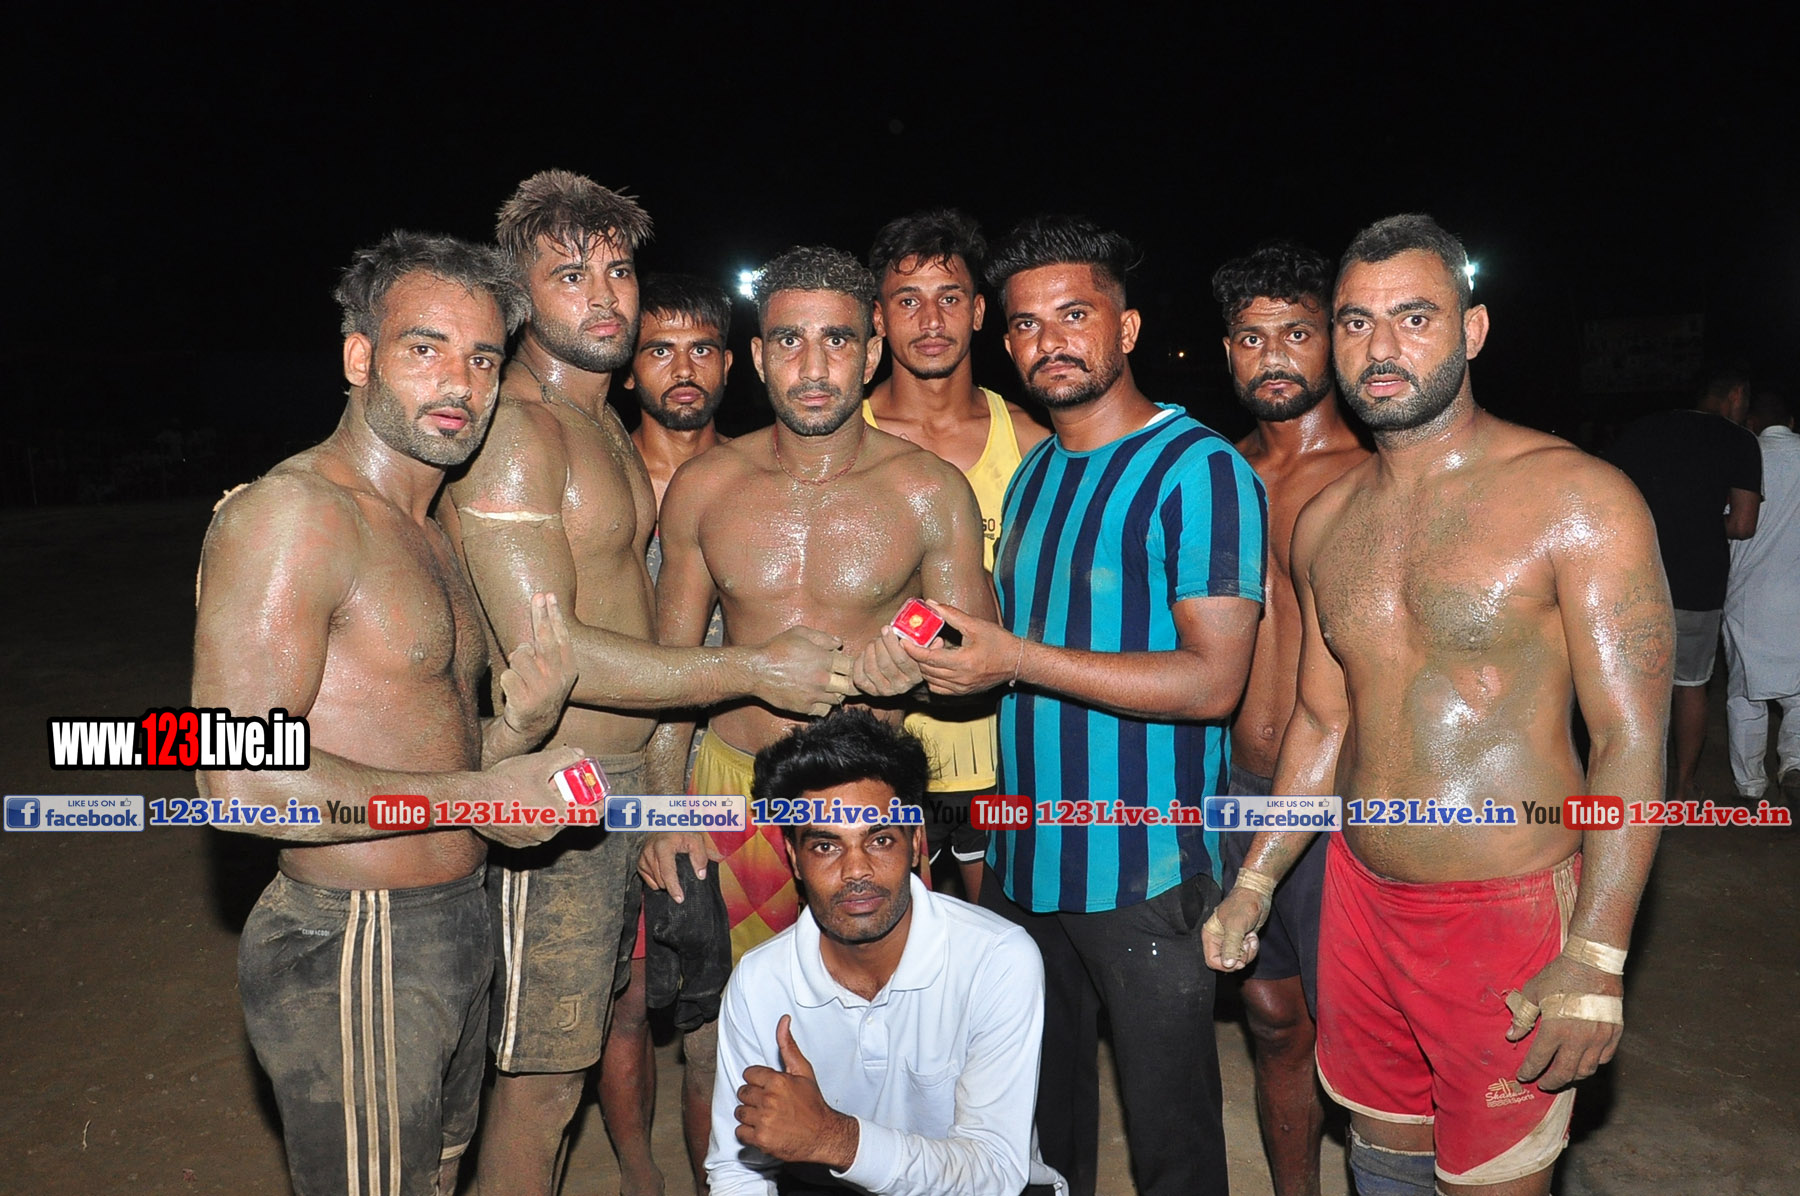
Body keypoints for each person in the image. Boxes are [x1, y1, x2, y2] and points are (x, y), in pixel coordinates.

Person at [1206, 214, 1672, 1196]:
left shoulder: (1578, 497)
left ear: (1473, 330)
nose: (1381, 347)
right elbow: (1324, 722)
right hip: (1359, 903)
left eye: (1414, 317)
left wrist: (1597, 951)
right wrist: (1256, 879)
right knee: (1385, 1163)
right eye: (1356, 322)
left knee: (1488, 1177)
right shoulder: (1327, 522)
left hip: (1506, 912)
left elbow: (1631, 735)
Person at [440, 172, 854, 1196]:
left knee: (605, 1039)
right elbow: (554, 650)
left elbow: (640, 622)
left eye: (618, 271)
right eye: (570, 274)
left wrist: (664, 802)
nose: (605, 297)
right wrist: (752, 667)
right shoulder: (518, 431)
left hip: (626, 787)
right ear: (518, 293)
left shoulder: (598, 426)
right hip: (557, 786)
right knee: (542, 1084)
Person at [191, 232, 584, 1196]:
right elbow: (237, 781)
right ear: (359, 356)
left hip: (451, 922)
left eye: (483, 358)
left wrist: (513, 737)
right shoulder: (295, 516)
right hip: (355, 940)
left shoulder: (429, 528)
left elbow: (413, 746)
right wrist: (478, 795)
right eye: (425, 348)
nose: (460, 382)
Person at [894, 214, 1267, 1196]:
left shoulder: (1201, 469)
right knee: (1035, 1124)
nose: (1047, 341)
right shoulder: (1035, 472)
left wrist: (1014, 658)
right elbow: (1009, 644)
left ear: (1127, 327)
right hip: (1025, 859)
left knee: (1172, 1136)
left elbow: (1213, 681)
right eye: (1025, 323)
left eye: (1073, 315)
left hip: (1144, 862)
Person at [643, 244, 995, 966]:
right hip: (731, 789)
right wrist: (663, 812)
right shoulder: (705, 487)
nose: (812, 368)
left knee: (880, 1006)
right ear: (759, 356)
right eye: (788, 341)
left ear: (870, 356)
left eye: (836, 340)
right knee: (723, 1018)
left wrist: (917, 679)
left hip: (869, 801)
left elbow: (983, 666)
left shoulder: (930, 491)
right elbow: (669, 675)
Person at [706, 709, 1045, 1196]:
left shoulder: (996, 960)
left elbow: (995, 1170)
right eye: (826, 847)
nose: (856, 871)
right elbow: (737, 1169)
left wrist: (832, 1138)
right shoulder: (760, 981)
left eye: (880, 840)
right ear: (794, 859)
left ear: (916, 841)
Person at [1210, 240, 1369, 1196]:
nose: (1272, 355)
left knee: (1357, 1031)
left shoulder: (1375, 472)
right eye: (1250, 336)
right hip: (1229, 785)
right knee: (1271, 1020)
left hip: (1343, 797)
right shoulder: (1213, 472)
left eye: (1296, 333)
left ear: (1334, 342)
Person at [863, 208, 1049, 897]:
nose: (931, 320)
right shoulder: (844, 437)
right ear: (878, 318)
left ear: (977, 311)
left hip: (1005, 751)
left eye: (949, 298)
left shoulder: (1031, 441)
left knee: (998, 939)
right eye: (907, 300)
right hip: (878, 746)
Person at [608, 272, 739, 1196]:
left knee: (711, 1012)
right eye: (659, 349)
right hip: (613, 770)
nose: (682, 369)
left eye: (701, 349)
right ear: (629, 369)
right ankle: (638, 1175)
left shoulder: (755, 473)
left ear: (731, 364)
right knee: (618, 1001)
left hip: (723, 773)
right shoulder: (592, 477)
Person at [1606, 369, 1762, 802]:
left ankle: (1633, 784)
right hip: (1698, 583)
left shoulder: (1646, 428)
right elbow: (1743, 524)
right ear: (1736, 393)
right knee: (1690, 685)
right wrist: (1706, 521)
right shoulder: (1738, 441)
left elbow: (1608, 493)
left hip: (1637, 580)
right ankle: (1682, 785)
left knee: (1634, 688)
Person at [1723, 390, 1800, 806]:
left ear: (1751, 423)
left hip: (1749, 595)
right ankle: (1796, 765)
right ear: (1791, 422)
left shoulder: (1741, 455)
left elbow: (1729, 522)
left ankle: (1751, 785)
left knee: (1745, 695)